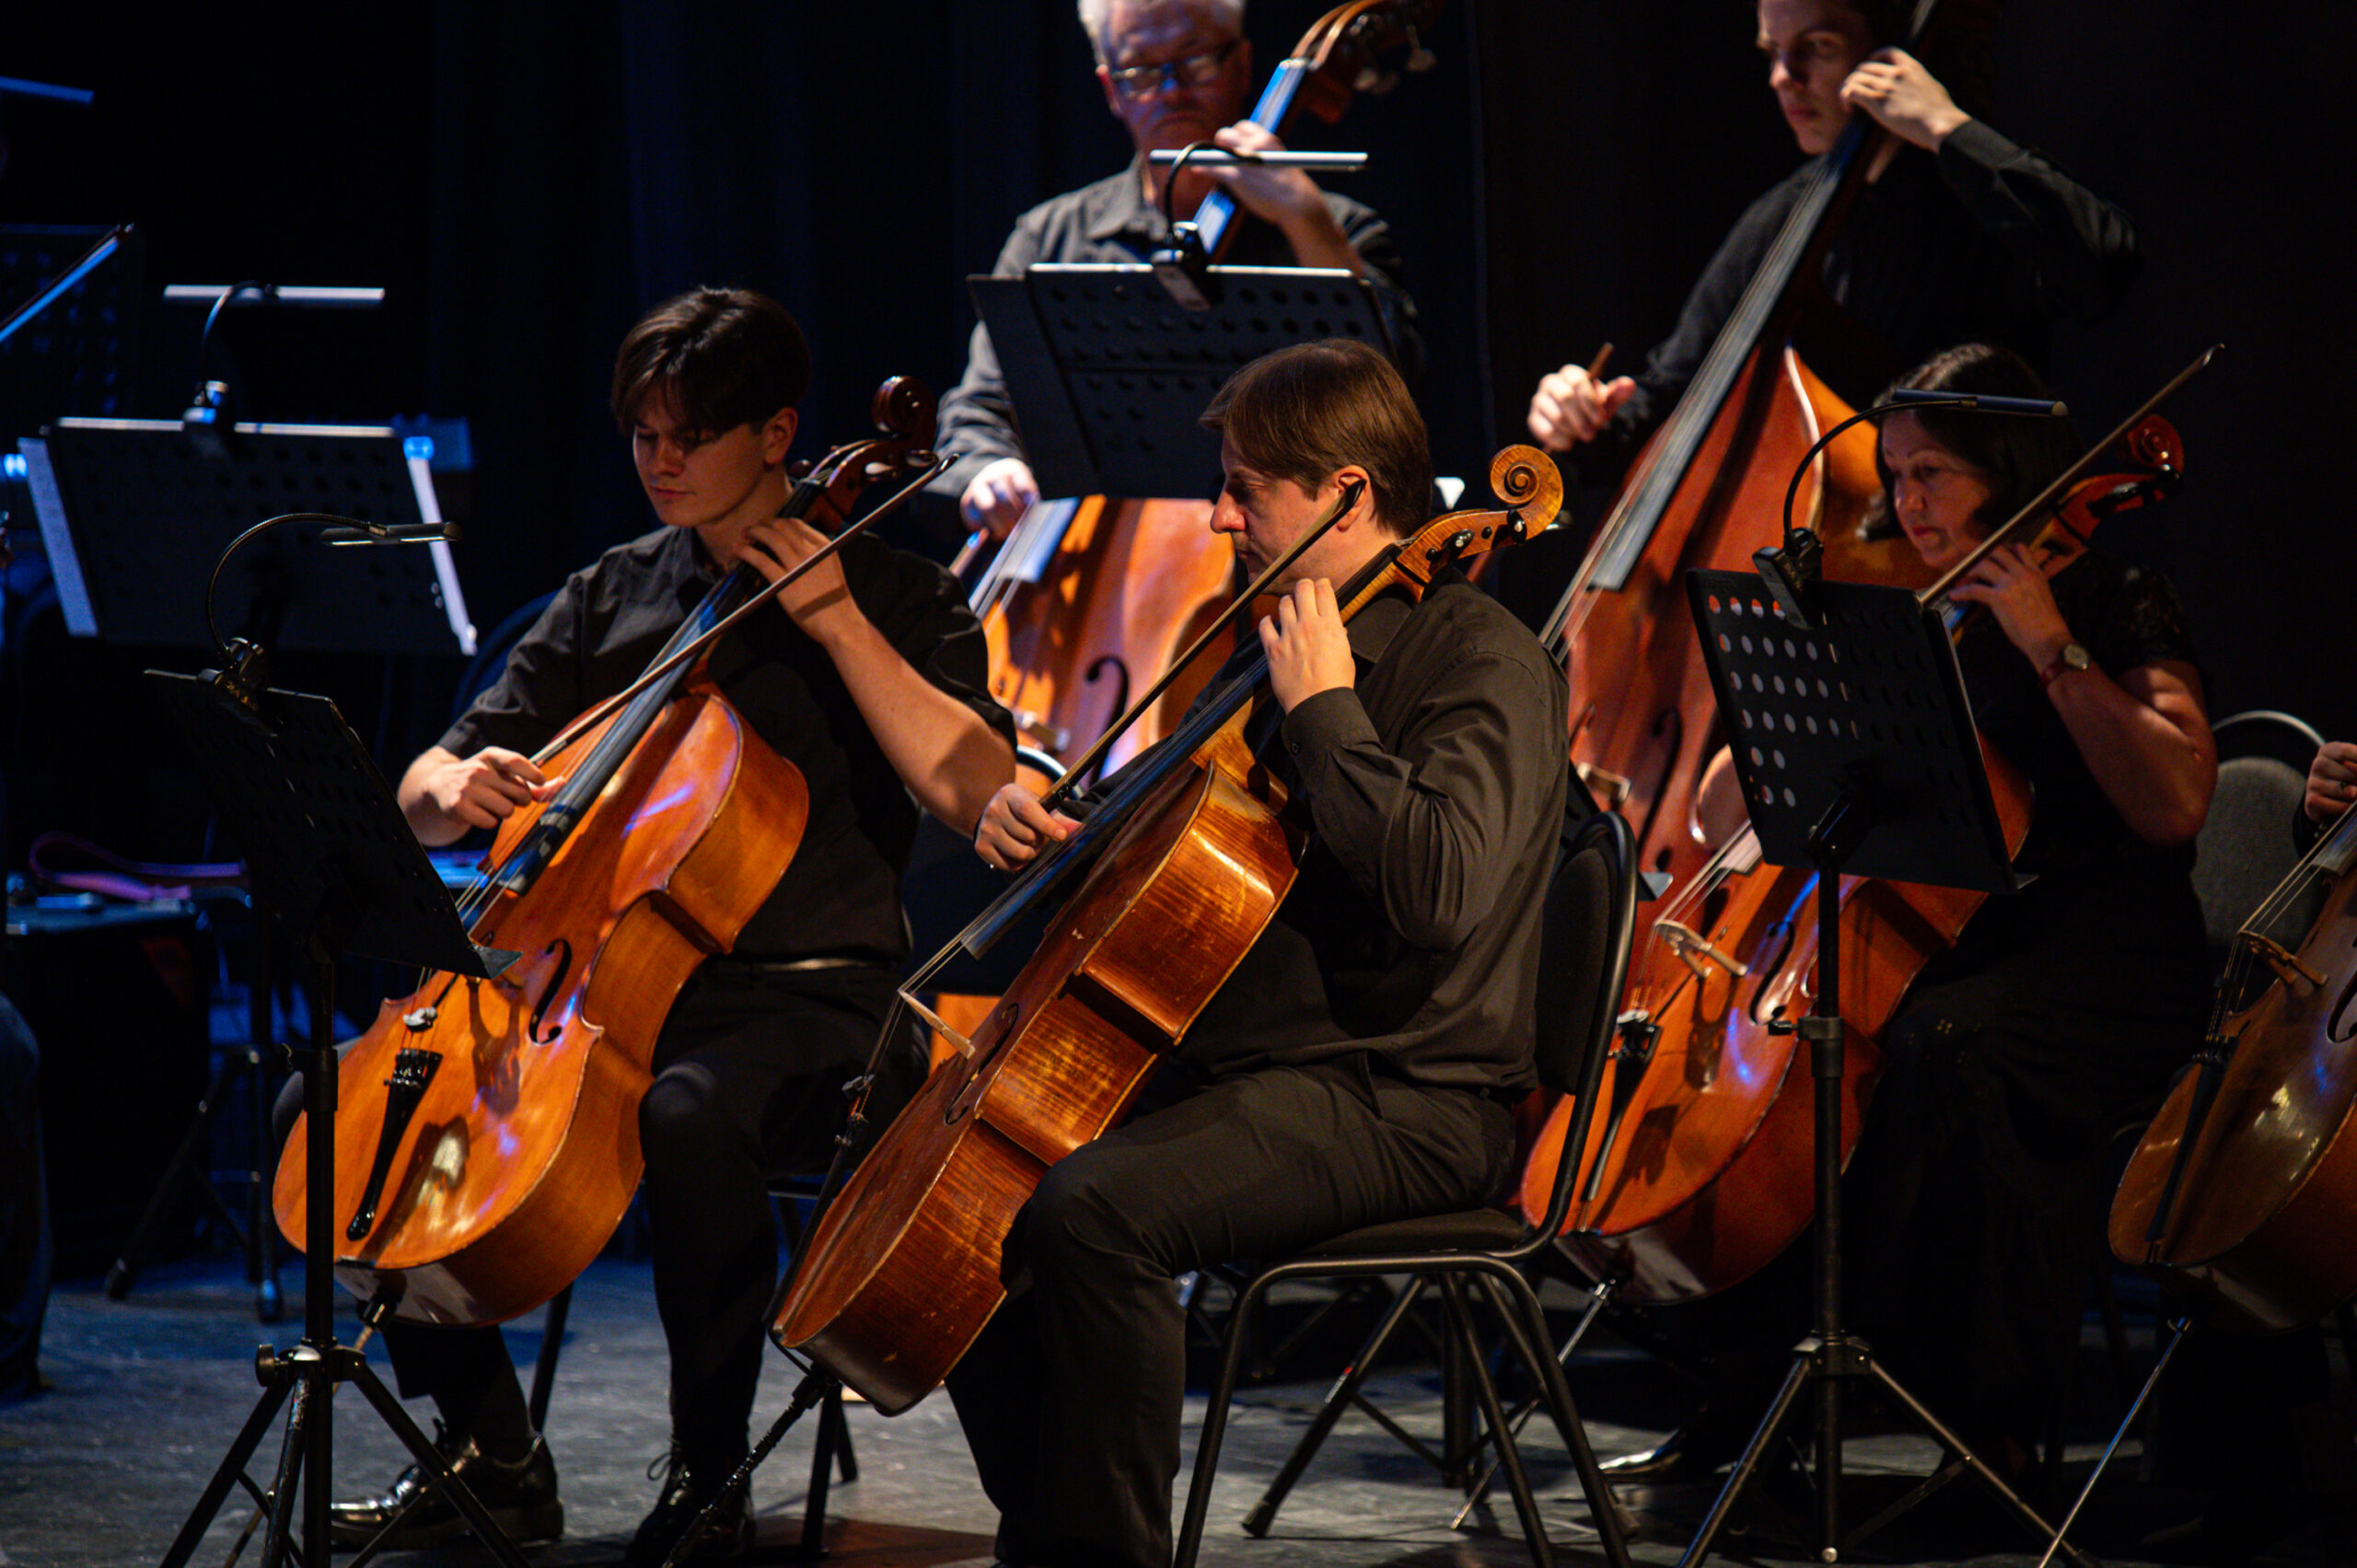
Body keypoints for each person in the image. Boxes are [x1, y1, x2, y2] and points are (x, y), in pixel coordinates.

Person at [300, 286, 1016, 1565]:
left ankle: (706, 1466)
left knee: (688, 1110)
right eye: (642, 436)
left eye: (689, 434)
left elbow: (971, 785)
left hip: (806, 994)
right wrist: (454, 784)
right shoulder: (614, 591)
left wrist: (836, 619)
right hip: (585, 986)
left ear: (780, 431)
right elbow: (429, 783)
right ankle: (493, 1451)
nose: (662, 462)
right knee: (384, 1120)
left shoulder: (895, 590)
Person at [946, 339, 1568, 1568]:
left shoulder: (1477, 655)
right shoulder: (1273, 637)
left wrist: (1331, 706)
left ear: (1345, 492)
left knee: (1093, 1213)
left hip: (1410, 1092)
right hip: (1254, 1067)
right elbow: (1183, 847)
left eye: (1246, 488)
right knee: (961, 1164)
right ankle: (1051, 1524)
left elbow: (1440, 889)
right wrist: (1053, 818)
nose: (1219, 513)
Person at [1524, 0, 2138, 485]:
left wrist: (1947, 130)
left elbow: (2103, 263)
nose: (1782, 78)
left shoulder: (1976, 197)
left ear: (1888, 55)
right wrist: (1582, 417)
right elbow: (1664, 404)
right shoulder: (1778, 224)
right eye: (1773, 52)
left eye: (1816, 48)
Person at [937, 0, 1420, 541]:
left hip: (1291, 556)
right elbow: (977, 411)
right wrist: (988, 472)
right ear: (1110, 91)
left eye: (1196, 63)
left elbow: (1395, 395)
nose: (1172, 90)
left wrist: (1303, 218)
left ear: (1241, 66)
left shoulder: (1338, 229)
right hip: (1098, 559)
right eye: (1142, 71)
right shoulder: (1050, 239)